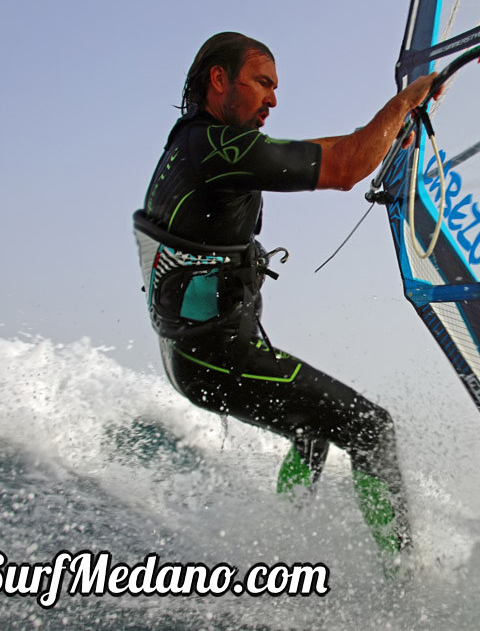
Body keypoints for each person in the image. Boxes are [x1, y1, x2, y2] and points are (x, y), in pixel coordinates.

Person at [134, 32, 437, 555]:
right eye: (262, 83)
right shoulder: (213, 148)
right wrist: (406, 102)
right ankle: (407, 592)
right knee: (371, 429)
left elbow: (330, 150)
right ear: (219, 79)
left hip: (195, 356)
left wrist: (385, 135)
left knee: (313, 431)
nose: (273, 99)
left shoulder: (193, 143)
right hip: (216, 358)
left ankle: (282, 551)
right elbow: (343, 165)